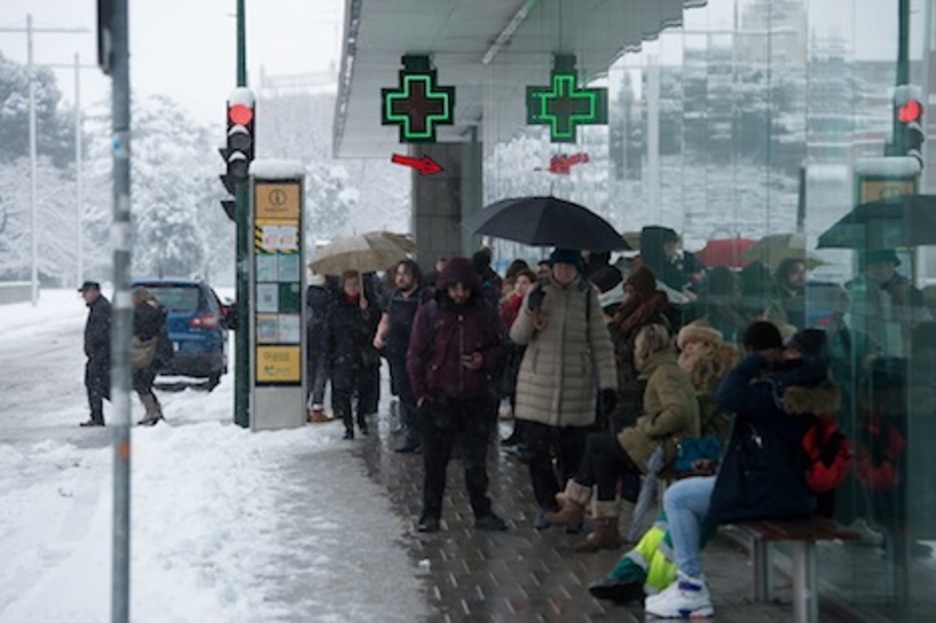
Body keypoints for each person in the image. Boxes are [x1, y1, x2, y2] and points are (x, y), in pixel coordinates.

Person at [643, 322, 841, 619]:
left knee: (678, 497)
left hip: (769, 491)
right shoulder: (806, 389)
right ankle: (684, 582)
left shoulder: (780, 391)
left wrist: (758, 360)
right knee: (685, 495)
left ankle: (691, 586)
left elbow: (728, 395)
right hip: (786, 489)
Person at [587, 321, 738, 603]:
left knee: (683, 505)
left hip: (704, 452)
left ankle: (654, 583)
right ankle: (628, 570)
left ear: (709, 346)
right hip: (708, 458)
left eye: (695, 343)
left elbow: (693, 417)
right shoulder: (684, 373)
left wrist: (651, 425)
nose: (687, 348)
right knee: (672, 510)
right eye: (685, 343)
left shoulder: (719, 380)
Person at [545, 323, 700, 552]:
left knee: (596, 443)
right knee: (602, 458)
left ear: (645, 349)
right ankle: (604, 528)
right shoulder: (664, 370)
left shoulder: (664, 373)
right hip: (663, 442)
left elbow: (678, 412)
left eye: (637, 347)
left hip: (668, 446)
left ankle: (575, 504)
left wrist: (650, 426)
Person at [510, 248, 618, 530]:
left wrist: (608, 385)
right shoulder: (538, 291)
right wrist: (529, 307)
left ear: (577, 270)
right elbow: (518, 336)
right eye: (559, 267)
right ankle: (546, 505)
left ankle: (570, 508)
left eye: (569, 268)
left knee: (574, 454)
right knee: (537, 453)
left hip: (576, 388)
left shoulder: (587, 297)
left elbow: (601, 343)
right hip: (538, 386)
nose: (564, 273)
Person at [406, 256, 509, 533]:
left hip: (475, 399)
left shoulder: (485, 313)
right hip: (438, 398)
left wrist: (483, 360)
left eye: (464, 288)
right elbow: (416, 355)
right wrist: (421, 395)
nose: (460, 294)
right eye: (454, 288)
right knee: (434, 463)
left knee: (476, 462)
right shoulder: (430, 313)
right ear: (445, 288)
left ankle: (482, 512)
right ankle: (431, 514)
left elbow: (501, 348)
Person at [374, 259, 427, 453]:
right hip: (396, 351)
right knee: (403, 393)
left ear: (414, 277)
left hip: (418, 352)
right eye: (398, 274)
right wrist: (380, 335)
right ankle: (410, 432)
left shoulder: (423, 297)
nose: (401, 278)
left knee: (418, 393)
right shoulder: (393, 296)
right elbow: (386, 318)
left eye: (405, 274)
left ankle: (424, 434)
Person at [327, 270, 381, 440]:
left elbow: (375, 327)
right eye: (349, 284)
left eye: (356, 284)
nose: (353, 288)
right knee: (344, 392)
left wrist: (366, 313)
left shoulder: (368, 303)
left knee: (365, 390)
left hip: (363, 354)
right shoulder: (336, 306)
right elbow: (330, 333)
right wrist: (331, 354)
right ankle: (348, 425)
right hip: (344, 354)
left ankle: (361, 418)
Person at [131, 287, 169, 426]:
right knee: (144, 383)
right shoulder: (156, 310)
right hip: (158, 352)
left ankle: (153, 413)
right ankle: (155, 412)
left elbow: (144, 333)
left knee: (141, 384)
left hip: (148, 353)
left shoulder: (143, 312)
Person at [79, 281, 111, 427]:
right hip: (100, 354)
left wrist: (96, 349)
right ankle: (97, 416)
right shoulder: (98, 307)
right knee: (98, 385)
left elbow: (102, 333)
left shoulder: (101, 309)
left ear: (94, 292)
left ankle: (97, 417)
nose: (83, 296)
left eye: (85, 293)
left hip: (101, 355)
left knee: (96, 385)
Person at [306, 271, 334, 423]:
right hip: (323, 338)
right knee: (321, 373)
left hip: (309, 338)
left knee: (309, 373)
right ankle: (317, 407)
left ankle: (303, 405)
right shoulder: (327, 296)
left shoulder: (307, 294)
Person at [774, 257, 807, 328]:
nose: (801, 277)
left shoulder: (806, 294)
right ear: (784, 275)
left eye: (803, 272)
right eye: (795, 272)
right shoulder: (776, 296)